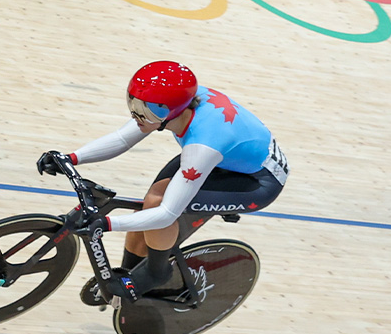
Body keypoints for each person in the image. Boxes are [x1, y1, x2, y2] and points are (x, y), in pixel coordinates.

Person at [37, 62, 287, 306]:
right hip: (229, 158)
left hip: (257, 182)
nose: (137, 115)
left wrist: (106, 224)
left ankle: (156, 272)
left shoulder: (202, 146)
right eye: (132, 104)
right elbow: (123, 138)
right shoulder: (177, 101)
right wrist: (71, 158)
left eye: (146, 111)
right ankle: (130, 272)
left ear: (170, 112)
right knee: (150, 203)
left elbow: (166, 214)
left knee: (159, 207)